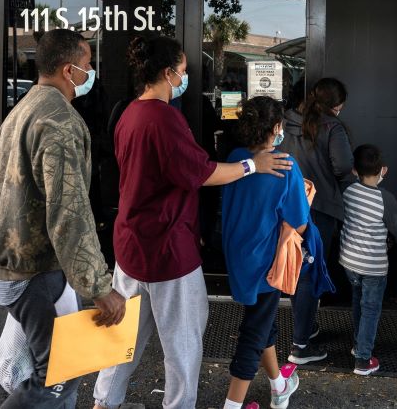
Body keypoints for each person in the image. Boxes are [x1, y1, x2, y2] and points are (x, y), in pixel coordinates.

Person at [92, 35, 293, 409]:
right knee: (182, 347)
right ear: (168, 73)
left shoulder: (128, 113)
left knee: (124, 339)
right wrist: (253, 165)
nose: (185, 78)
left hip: (130, 245)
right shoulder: (164, 118)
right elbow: (200, 172)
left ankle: (103, 403)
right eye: (183, 72)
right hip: (168, 249)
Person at [0, 29, 126, 409]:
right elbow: (70, 213)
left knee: (52, 371)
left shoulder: (21, 111)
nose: (91, 72)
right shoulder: (60, 122)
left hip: (16, 267)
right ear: (69, 70)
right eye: (87, 65)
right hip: (34, 272)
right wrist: (98, 286)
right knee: (57, 377)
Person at [220, 96, 307, 409]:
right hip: (266, 264)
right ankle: (232, 404)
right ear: (277, 127)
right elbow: (298, 221)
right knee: (252, 336)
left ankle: (278, 384)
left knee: (262, 323)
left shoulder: (235, 158)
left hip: (238, 258)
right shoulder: (286, 165)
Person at [279, 77, 355, 364]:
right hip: (319, 209)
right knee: (308, 275)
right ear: (336, 105)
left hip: (288, 207)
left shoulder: (286, 122)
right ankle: (300, 346)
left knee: (298, 269)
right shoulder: (332, 127)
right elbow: (343, 166)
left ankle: (307, 329)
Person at [339, 145, 397, 376]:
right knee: (370, 308)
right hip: (373, 265)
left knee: (358, 301)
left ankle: (358, 345)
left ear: (354, 170)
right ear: (383, 170)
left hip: (349, 261)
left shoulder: (348, 191)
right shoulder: (385, 199)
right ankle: (363, 359)